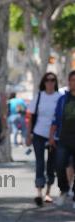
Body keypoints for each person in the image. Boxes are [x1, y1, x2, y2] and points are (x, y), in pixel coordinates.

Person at [27, 72, 61, 206]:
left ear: (55, 82)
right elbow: (31, 117)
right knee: (39, 163)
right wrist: (28, 135)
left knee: (51, 165)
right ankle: (39, 193)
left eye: (53, 80)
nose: (50, 82)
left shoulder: (60, 97)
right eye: (47, 80)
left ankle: (48, 192)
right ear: (44, 82)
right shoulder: (39, 96)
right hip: (39, 134)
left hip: (55, 136)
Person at [49, 70, 75, 208]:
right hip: (63, 138)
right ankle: (64, 190)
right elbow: (55, 120)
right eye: (72, 80)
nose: (73, 83)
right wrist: (51, 136)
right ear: (69, 82)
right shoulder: (63, 99)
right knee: (59, 165)